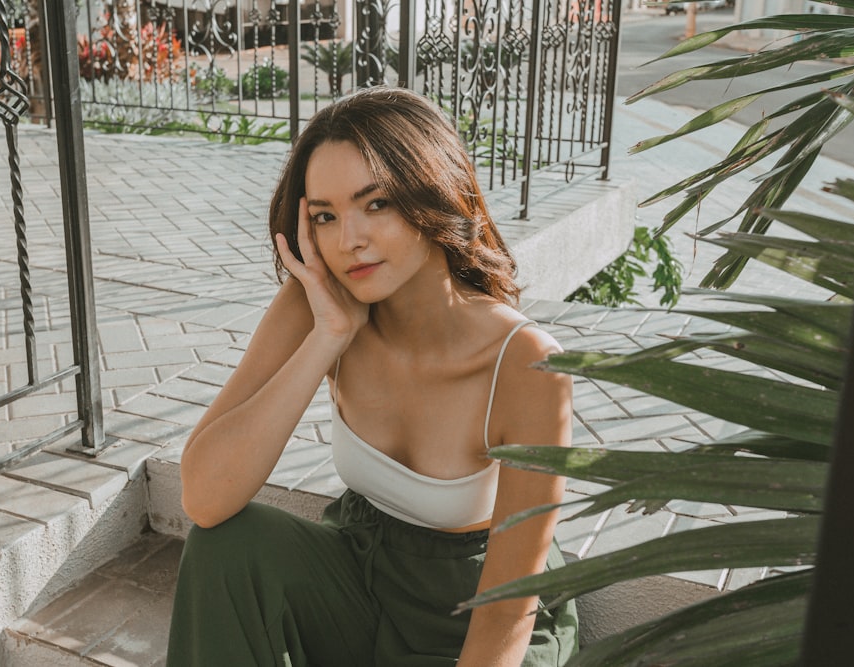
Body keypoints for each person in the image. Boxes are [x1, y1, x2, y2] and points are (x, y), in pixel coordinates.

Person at [166, 86, 578, 667]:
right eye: (325, 217)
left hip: (474, 614)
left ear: (432, 193)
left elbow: (508, 613)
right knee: (226, 547)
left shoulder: (527, 363)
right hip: (362, 568)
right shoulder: (313, 305)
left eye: (376, 204)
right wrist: (327, 338)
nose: (348, 241)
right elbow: (205, 499)